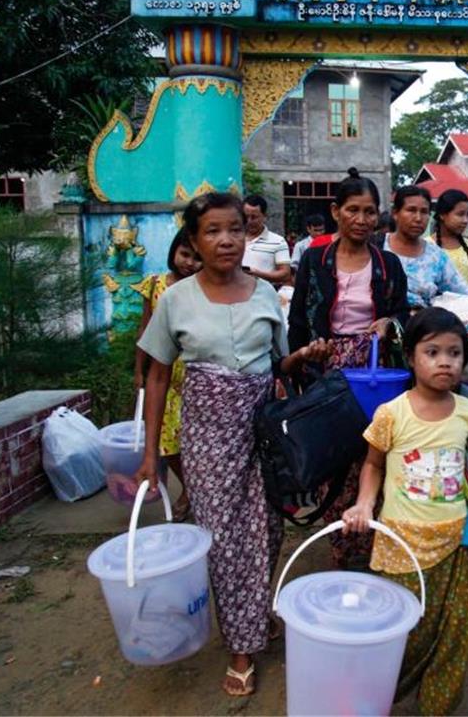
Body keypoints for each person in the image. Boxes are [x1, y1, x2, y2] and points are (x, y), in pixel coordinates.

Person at [134, 192, 331, 697]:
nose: (226, 240)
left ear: (247, 235)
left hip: (263, 432)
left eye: (235, 229)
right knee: (222, 538)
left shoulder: (266, 294)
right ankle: (241, 646)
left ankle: (255, 612)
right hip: (206, 438)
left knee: (264, 530)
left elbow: (280, 365)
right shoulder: (175, 299)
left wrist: (304, 354)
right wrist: (150, 453)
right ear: (195, 241)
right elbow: (157, 377)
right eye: (213, 231)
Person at [342, 307, 468, 715]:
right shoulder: (392, 413)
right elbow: (372, 464)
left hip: (455, 541)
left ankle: (435, 707)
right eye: (433, 351)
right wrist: (365, 502)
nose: (445, 361)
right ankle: (372, 697)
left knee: (455, 633)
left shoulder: (467, 412)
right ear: (410, 357)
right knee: (404, 634)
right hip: (400, 544)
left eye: (454, 353)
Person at [289, 167, 411, 568]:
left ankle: (375, 543)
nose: (362, 220)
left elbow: (402, 316)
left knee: (373, 454)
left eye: (370, 211)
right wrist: (306, 356)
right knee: (334, 459)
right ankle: (344, 547)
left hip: (374, 371)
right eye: (354, 210)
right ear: (336, 211)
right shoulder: (313, 259)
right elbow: (297, 321)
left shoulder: (388, 263)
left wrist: (388, 324)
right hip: (327, 372)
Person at [132, 228, 202, 522]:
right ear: (174, 251)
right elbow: (145, 329)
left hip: (196, 376)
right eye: (185, 254)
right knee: (166, 441)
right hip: (164, 375)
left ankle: (195, 492)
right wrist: (139, 370)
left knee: (194, 441)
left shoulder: (204, 287)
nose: (189, 263)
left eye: (197, 258)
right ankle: (189, 488)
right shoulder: (156, 284)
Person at [384, 185, 468, 310]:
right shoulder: (378, 247)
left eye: (424, 212)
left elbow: (464, 295)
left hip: (422, 325)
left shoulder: (436, 256)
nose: (418, 218)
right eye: (411, 210)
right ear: (395, 213)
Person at [433, 189, 468, 299]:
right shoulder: (428, 247)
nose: (465, 220)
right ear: (442, 215)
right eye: (460, 214)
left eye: (467, 215)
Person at [242, 194, 292, 287]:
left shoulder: (278, 241)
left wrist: (258, 274)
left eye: (254, 217)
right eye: (246, 217)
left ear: (265, 216)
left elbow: (285, 274)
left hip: (264, 296)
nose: (249, 221)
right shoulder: (234, 239)